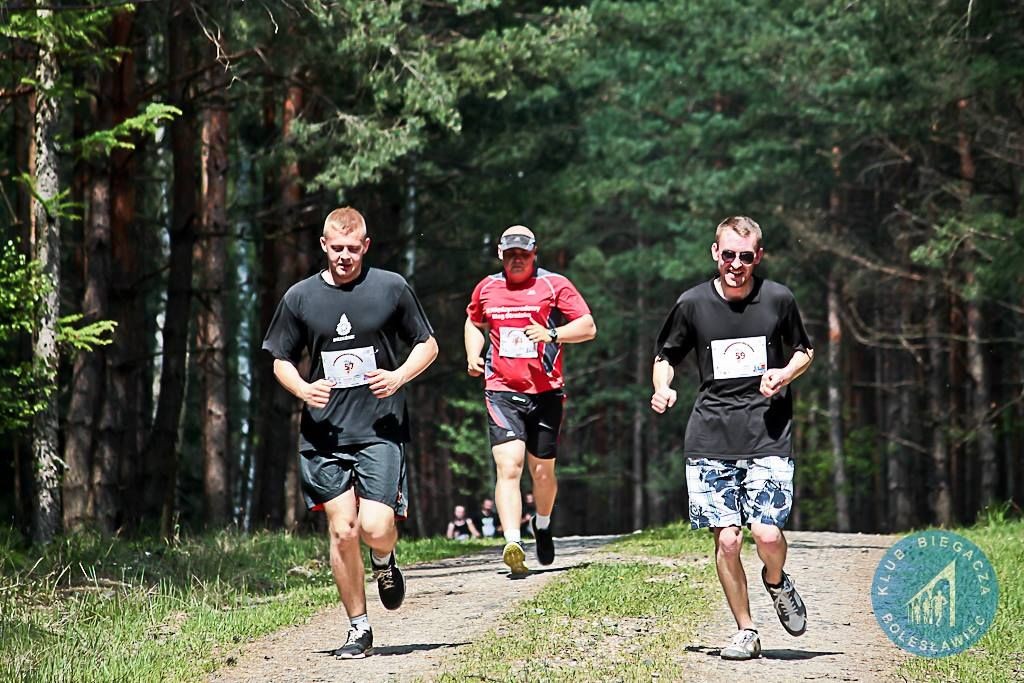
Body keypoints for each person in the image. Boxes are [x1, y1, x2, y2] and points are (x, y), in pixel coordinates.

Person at [262, 207, 438, 659]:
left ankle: (384, 559)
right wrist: (302, 387)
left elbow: (429, 344)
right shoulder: (300, 298)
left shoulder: (390, 287)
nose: (344, 257)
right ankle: (358, 629)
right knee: (342, 532)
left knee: (375, 527)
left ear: (366, 245)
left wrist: (398, 376)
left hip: (380, 426)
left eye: (352, 249)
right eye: (336, 248)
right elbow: (280, 356)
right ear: (324, 246)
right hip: (325, 433)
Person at [650, 216, 814, 661]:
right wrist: (663, 387)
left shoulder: (778, 298)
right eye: (728, 255)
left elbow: (804, 350)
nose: (736, 264)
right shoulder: (692, 304)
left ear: (758, 256)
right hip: (710, 436)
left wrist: (783, 373)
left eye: (745, 256)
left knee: (766, 535)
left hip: (768, 431)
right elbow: (666, 355)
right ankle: (746, 630)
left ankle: (776, 581)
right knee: (727, 540)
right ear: (714, 253)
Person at [464, 225, 596, 576]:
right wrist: (472, 354)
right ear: (500, 255)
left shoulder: (554, 285)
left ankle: (542, 522)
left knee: (542, 472)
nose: (517, 259)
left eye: (523, 253)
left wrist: (552, 333)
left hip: (546, 392)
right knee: (509, 467)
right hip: (501, 390)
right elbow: (473, 322)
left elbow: (587, 326)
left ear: (535, 253)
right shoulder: (487, 288)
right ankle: (512, 542)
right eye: (510, 254)